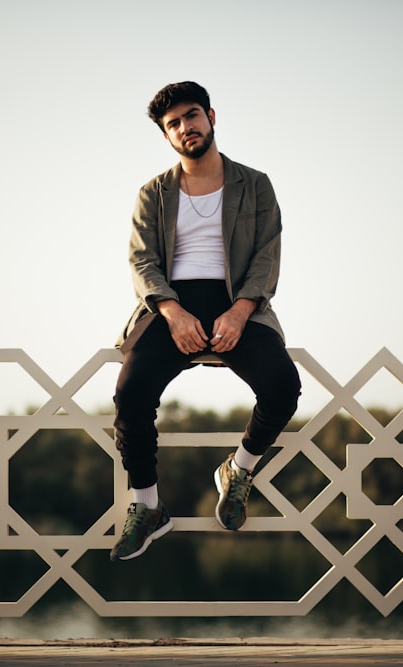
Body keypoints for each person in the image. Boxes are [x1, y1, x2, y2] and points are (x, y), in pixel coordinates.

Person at [110, 81, 301, 561]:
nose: (184, 127)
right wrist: (172, 313)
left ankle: (239, 470)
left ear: (211, 116)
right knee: (130, 395)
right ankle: (148, 507)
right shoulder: (152, 193)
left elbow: (267, 253)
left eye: (191, 116)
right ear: (166, 136)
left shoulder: (254, 183)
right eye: (173, 124)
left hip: (238, 298)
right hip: (170, 302)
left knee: (282, 386)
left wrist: (240, 311)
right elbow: (142, 262)